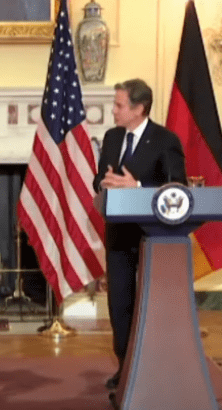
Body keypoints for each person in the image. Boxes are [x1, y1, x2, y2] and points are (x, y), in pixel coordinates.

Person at [92, 79, 187, 390]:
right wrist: (104, 183)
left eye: (119, 105)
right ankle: (125, 367)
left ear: (139, 109)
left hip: (153, 237)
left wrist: (136, 187)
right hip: (118, 234)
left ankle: (155, 368)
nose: (113, 111)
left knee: (150, 304)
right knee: (119, 303)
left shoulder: (165, 140)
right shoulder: (112, 137)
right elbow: (99, 179)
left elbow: (178, 187)